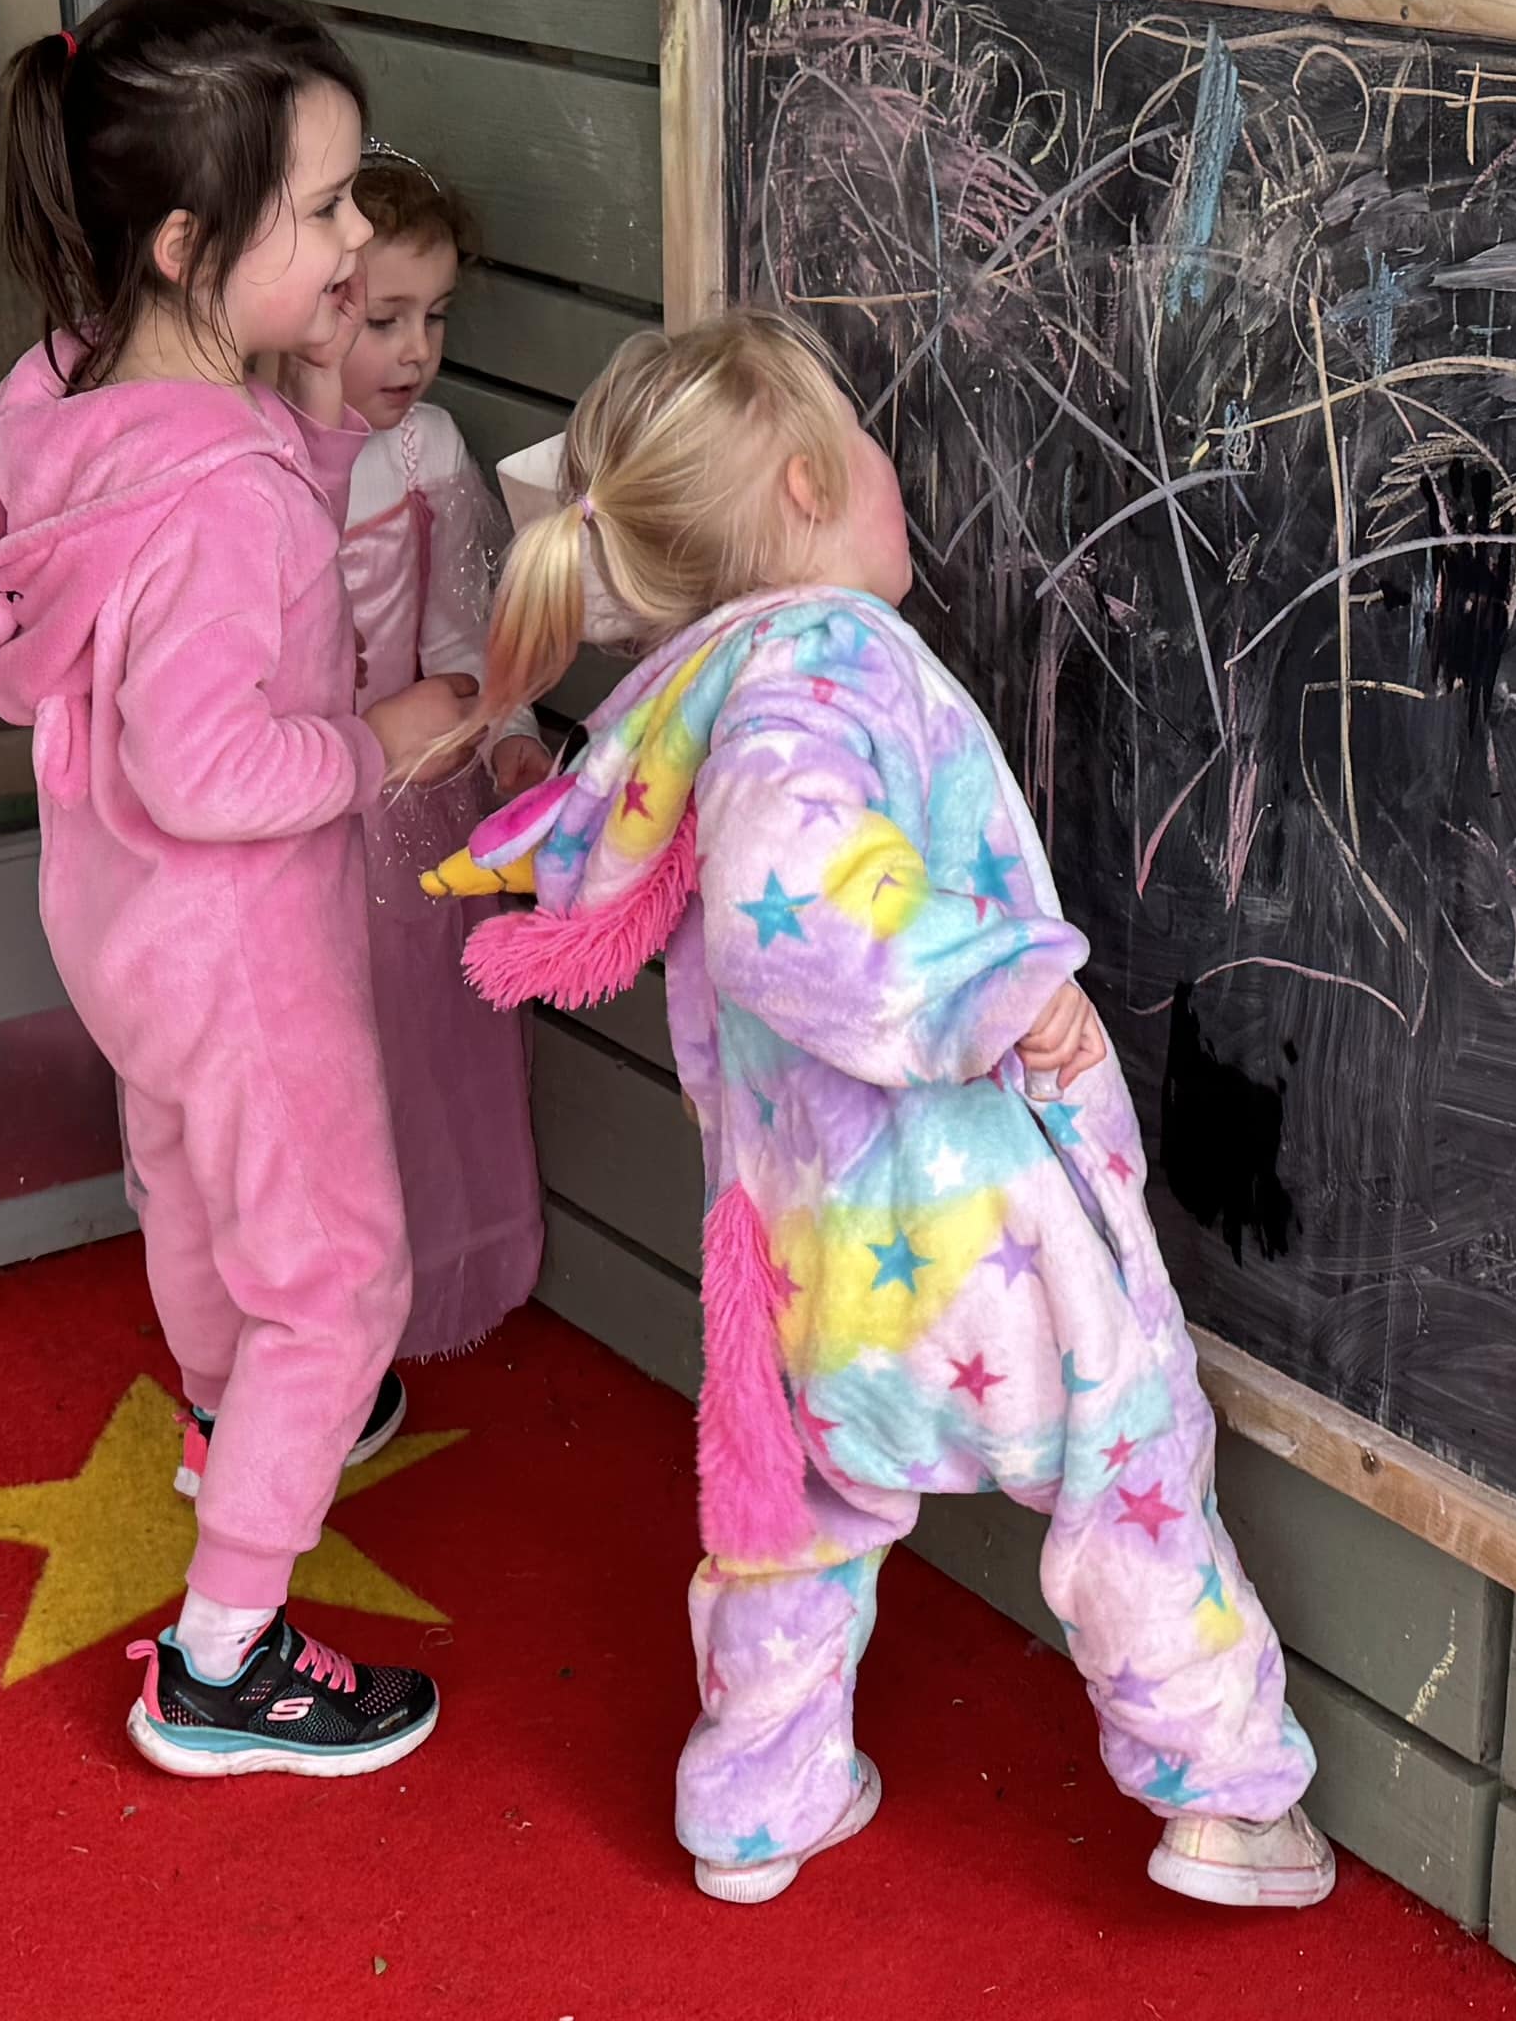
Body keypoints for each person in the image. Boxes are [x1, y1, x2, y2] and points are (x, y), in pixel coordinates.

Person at [427, 312, 1332, 1912]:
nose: (894, 464)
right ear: (804, 480)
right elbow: (795, 894)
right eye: (868, 438)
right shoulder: (820, 662)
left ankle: (760, 1804)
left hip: (800, 1257)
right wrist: (997, 983)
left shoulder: (693, 692)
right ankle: (1231, 1801)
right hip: (979, 1224)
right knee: (1132, 1471)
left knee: (797, 1518)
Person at [0, 0, 466, 1780]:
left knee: (190, 1180)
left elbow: (167, 599)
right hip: (241, 941)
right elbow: (218, 762)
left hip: (115, 926)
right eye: (320, 213)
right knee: (337, 1266)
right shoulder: (226, 491)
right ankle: (228, 1654)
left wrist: (296, 416)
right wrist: (387, 733)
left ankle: (232, 1410)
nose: (349, 245)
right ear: (186, 237)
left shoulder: (67, 388)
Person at [269, 148, 545, 1364]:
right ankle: (312, 1317)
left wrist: (512, 738)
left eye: (432, 319)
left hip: (417, 803)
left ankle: (429, 1282)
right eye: (384, 319)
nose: (416, 350)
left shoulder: (431, 451)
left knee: (425, 1054)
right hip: (296, 804)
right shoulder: (258, 459)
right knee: (315, 1063)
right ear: (312, 308)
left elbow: (465, 627)